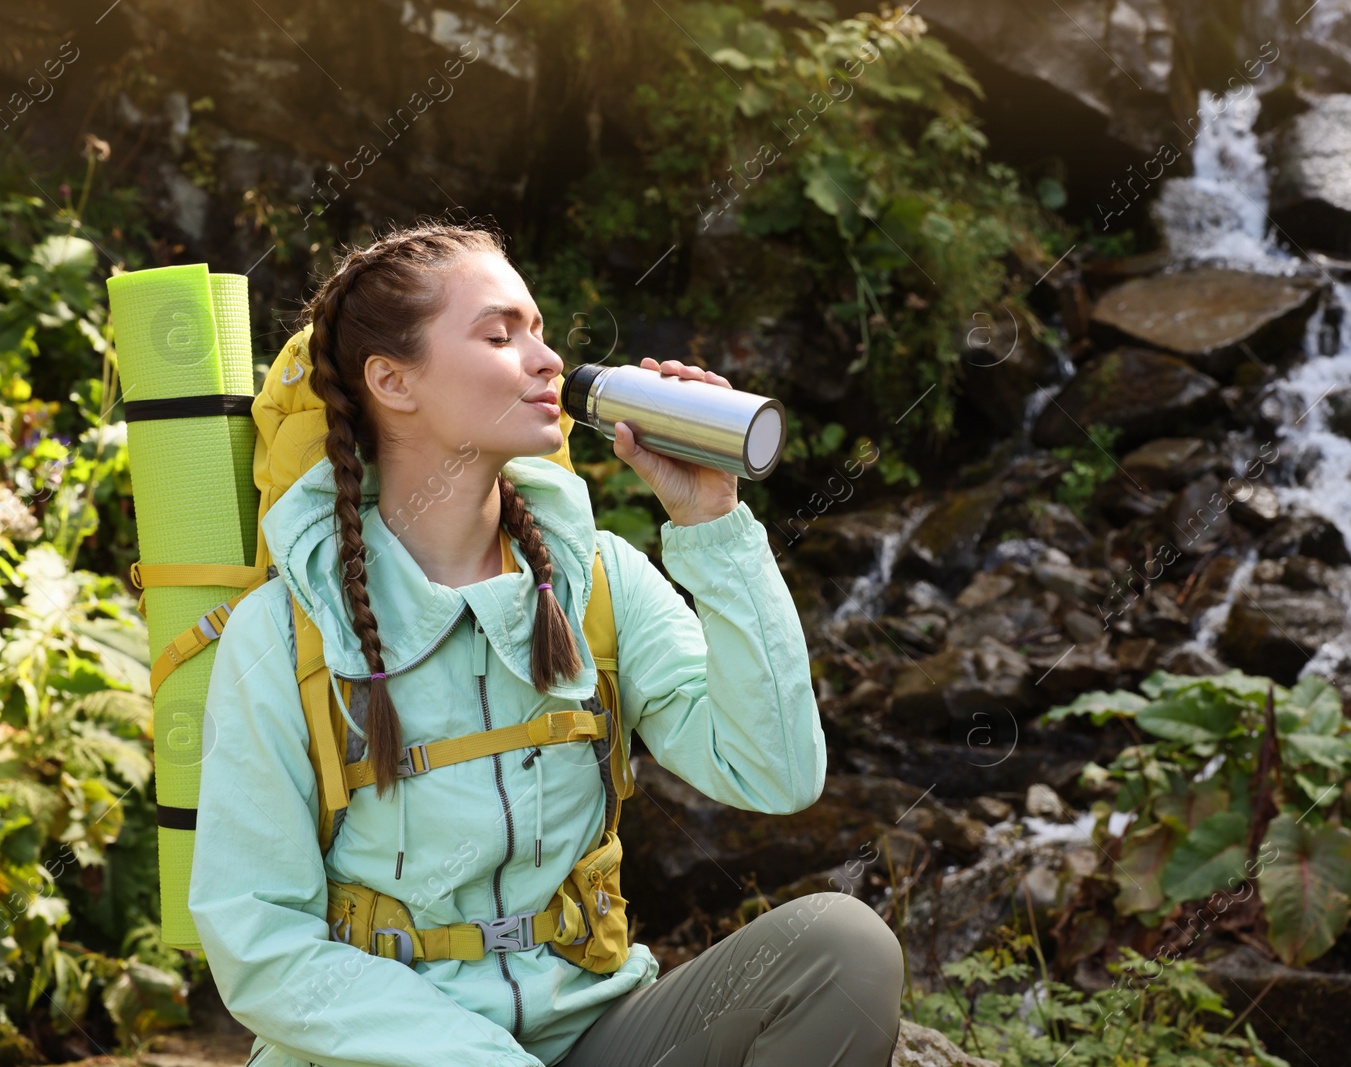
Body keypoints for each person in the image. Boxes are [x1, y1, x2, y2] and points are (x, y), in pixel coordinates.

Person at [187, 221, 904, 1067]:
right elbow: (263, 942)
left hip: (590, 1029)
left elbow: (776, 772)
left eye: (538, 328)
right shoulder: (287, 632)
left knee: (840, 950)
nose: (547, 359)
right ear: (392, 380)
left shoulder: (599, 580)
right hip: (388, 1055)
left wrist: (712, 521)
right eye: (500, 334)